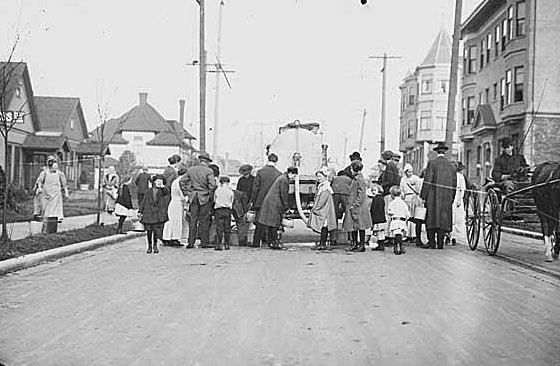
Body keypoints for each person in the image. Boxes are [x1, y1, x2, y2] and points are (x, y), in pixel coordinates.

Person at [420, 142, 457, 249]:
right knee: (443, 220)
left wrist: (423, 195)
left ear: (437, 152)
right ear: (445, 152)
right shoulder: (451, 166)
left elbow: (427, 181)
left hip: (433, 196)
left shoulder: (432, 163)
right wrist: (452, 197)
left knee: (431, 218)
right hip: (446, 197)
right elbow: (454, 184)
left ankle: (432, 242)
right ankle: (440, 243)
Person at [180, 152, 217, 248]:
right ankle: (204, 242)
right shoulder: (209, 171)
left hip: (193, 197)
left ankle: (190, 242)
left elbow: (182, 181)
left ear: (200, 160)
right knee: (204, 220)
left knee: (193, 220)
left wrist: (188, 191)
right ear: (207, 162)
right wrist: (208, 192)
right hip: (204, 197)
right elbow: (212, 185)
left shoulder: (191, 170)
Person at [257, 166, 298, 250]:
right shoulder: (284, 181)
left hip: (272, 203)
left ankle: (271, 242)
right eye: (294, 176)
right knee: (274, 224)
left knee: (271, 224)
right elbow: (284, 195)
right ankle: (274, 242)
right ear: (291, 173)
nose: (293, 178)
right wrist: (286, 207)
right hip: (275, 204)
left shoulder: (282, 178)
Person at [250, 153, 282, 247]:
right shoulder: (279, 174)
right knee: (272, 222)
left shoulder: (260, 172)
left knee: (260, 222)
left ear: (268, 160)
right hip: (273, 202)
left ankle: (256, 243)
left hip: (261, 201)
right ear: (276, 162)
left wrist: (253, 201)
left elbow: (255, 188)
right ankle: (272, 242)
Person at [342, 160, 373, 252]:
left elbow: (361, 194)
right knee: (354, 226)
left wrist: (354, 205)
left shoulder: (359, 179)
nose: (351, 171)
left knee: (360, 226)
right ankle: (355, 244)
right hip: (355, 206)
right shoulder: (357, 178)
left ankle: (361, 245)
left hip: (358, 207)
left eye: (352, 169)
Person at [139, 175, 170, 254]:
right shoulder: (148, 191)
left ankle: (155, 245)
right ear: (154, 182)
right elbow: (144, 201)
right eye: (157, 181)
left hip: (157, 213)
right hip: (148, 213)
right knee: (149, 231)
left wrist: (163, 187)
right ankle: (149, 246)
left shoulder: (162, 191)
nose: (159, 182)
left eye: (161, 181)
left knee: (156, 230)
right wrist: (140, 211)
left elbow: (167, 193)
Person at [307, 169, 337, 251]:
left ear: (325, 177)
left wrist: (315, 209)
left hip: (324, 210)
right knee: (324, 226)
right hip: (324, 209)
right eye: (317, 176)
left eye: (320, 176)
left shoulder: (325, 188)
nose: (318, 178)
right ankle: (322, 243)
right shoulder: (323, 186)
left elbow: (322, 200)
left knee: (324, 226)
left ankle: (323, 244)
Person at [36, 156, 69, 232]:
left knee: (54, 213)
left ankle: (52, 229)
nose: (54, 166)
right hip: (47, 195)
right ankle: (45, 229)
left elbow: (64, 184)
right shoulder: (44, 173)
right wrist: (40, 188)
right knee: (46, 212)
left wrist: (66, 192)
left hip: (56, 195)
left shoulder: (59, 174)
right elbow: (39, 181)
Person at [162, 163, 188, 247]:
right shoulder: (181, 181)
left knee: (171, 221)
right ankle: (175, 238)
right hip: (177, 203)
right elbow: (182, 195)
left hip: (173, 201)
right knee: (177, 221)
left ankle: (167, 237)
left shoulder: (175, 181)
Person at [400, 163, 423, 245]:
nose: (410, 173)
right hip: (406, 198)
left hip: (414, 198)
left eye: (411, 171)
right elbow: (401, 189)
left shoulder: (416, 178)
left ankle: (413, 235)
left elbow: (418, 189)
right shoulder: (403, 180)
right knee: (407, 217)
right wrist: (402, 194)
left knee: (414, 217)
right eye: (408, 172)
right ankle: (406, 235)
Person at [387, 185, 410, 255]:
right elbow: (408, 214)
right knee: (400, 233)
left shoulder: (392, 203)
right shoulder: (404, 203)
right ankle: (401, 245)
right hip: (402, 220)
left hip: (395, 220)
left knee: (396, 233)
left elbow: (389, 212)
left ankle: (397, 246)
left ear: (392, 195)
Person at [235, 164, 254, 246]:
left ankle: (246, 238)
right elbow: (238, 192)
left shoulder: (254, 179)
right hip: (242, 202)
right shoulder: (241, 180)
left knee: (249, 220)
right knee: (242, 220)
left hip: (251, 200)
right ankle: (243, 239)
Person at [214, 176, 234, 251]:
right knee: (227, 228)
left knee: (219, 228)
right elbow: (232, 201)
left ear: (221, 183)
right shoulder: (230, 191)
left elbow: (215, 199)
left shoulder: (217, 191)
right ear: (228, 183)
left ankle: (219, 244)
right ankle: (227, 244)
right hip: (227, 210)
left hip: (219, 210)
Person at [451, 161, 467, 246]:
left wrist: (459, 200)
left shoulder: (460, 177)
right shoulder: (448, 176)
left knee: (458, 218)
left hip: (457, 196)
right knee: (450, 217)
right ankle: (448, 235)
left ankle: (455, 237)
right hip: (450, 196)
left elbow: (462, 188)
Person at [369, 183, 387, 251]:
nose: (373, 191)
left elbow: (373, 209)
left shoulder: (376, 198)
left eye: (374, 190)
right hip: (381, 218)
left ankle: (380, 245)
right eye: (372, 190)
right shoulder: (381, 198)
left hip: (377, 218)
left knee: (379, 232)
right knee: (381, 232)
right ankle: (381, 244)